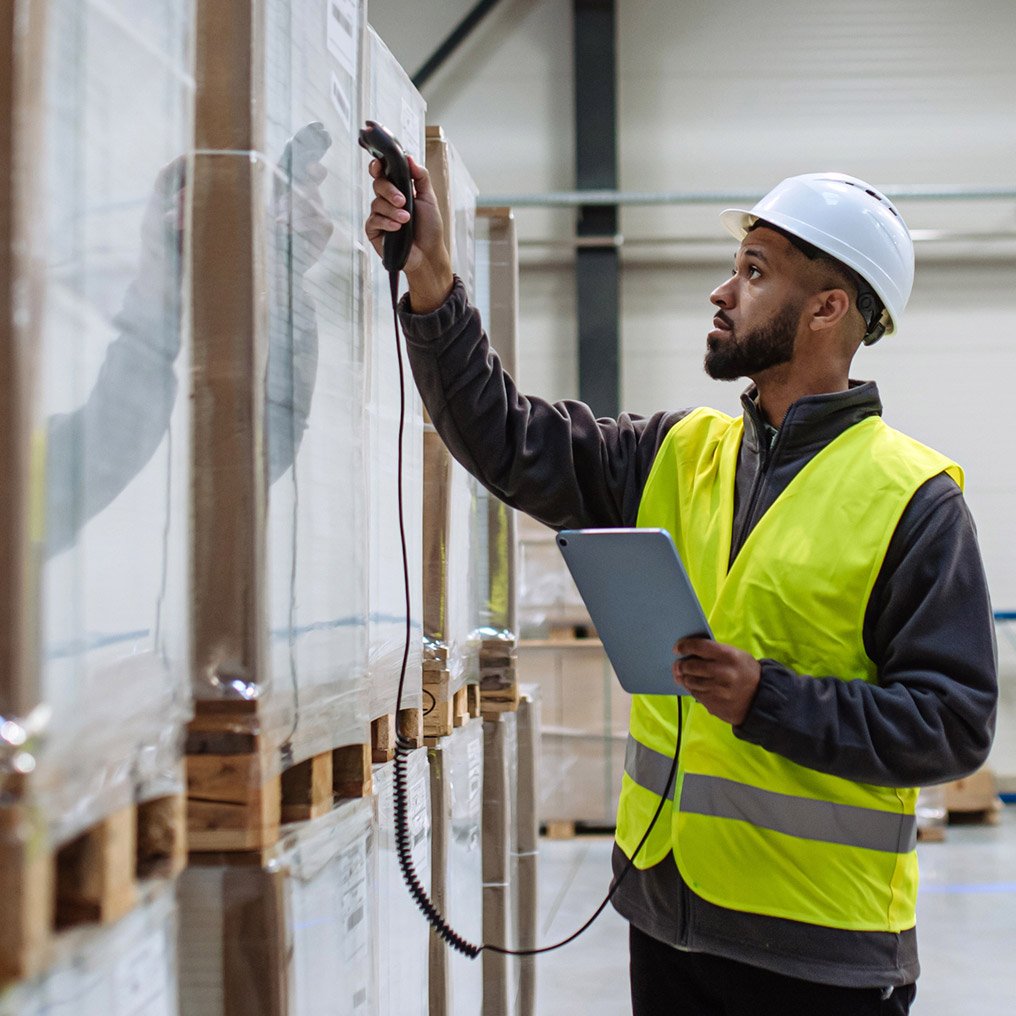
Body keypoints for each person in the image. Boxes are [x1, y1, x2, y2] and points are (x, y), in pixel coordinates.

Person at [366, 162, 998, 1015]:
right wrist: (433, 281)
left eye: (755, 271)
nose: (722, 290)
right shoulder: (676, 453)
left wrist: (764, 699)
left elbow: (952, 725)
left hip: (818, 953)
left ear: (826, 308)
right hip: (666, 922)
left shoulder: (914, 501)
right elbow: (506, 437)